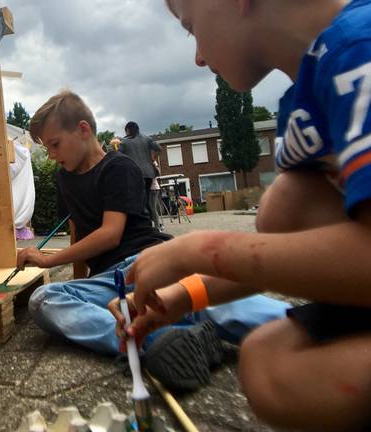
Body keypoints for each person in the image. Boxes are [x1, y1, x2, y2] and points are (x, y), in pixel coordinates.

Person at [114, 1, 371, 430]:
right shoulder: (304, 96)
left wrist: (200, 249)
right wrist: (180, 298)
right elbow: (283, 257)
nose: (197, 56)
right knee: (265, 359)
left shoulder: (358, 50)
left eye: (191, 26)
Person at [17, 90, 288, 391]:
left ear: (83, 130)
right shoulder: (63, 178)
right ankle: (164, 340)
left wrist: (48, 260)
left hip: (151, 262)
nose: (51, 155)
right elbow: (78, 230)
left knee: (208, 299)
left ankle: (313, 327)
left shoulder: (119, 167)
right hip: (111, 283)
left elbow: (110, 234)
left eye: (54, 144)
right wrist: (78, 283)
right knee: (45, 299)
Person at [119, 121, 162, 227]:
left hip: (135, 174)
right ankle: (150, 224)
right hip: (148, 174)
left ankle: (144, 225)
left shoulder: (124, 142)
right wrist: (153, 157)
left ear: (128, 130)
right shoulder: (147, 138)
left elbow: (118, 154)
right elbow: (158, 148)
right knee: (146, 199)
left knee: (138, 200)